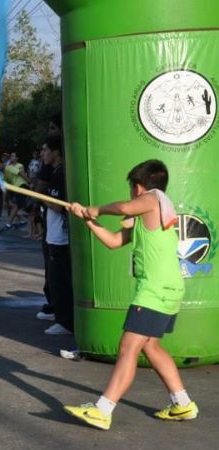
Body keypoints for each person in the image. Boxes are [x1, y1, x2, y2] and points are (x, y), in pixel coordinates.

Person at [65, 160, 196, 430]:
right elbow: (114, 242)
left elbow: (124, 208)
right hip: (168, 289)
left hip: (154, 291)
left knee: (128, 348)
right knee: (151, 346)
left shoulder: (153, 198)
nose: (131, 194)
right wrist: (88, 219)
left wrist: (97, 208)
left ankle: (102, 410)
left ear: (138, 187)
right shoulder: (149, 211)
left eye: (131, 188)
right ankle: (182, 404)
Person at [39, 135, 73, 335]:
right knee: (55, 278)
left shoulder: (60, 174)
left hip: (61, 236)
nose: (43, 154)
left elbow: (58, 205)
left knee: (60, 280)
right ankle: (61, 316)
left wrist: (42, 198)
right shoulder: (55, 172)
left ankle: (65, 322)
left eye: (45, 150)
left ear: (56, 152)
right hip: (54, 234)